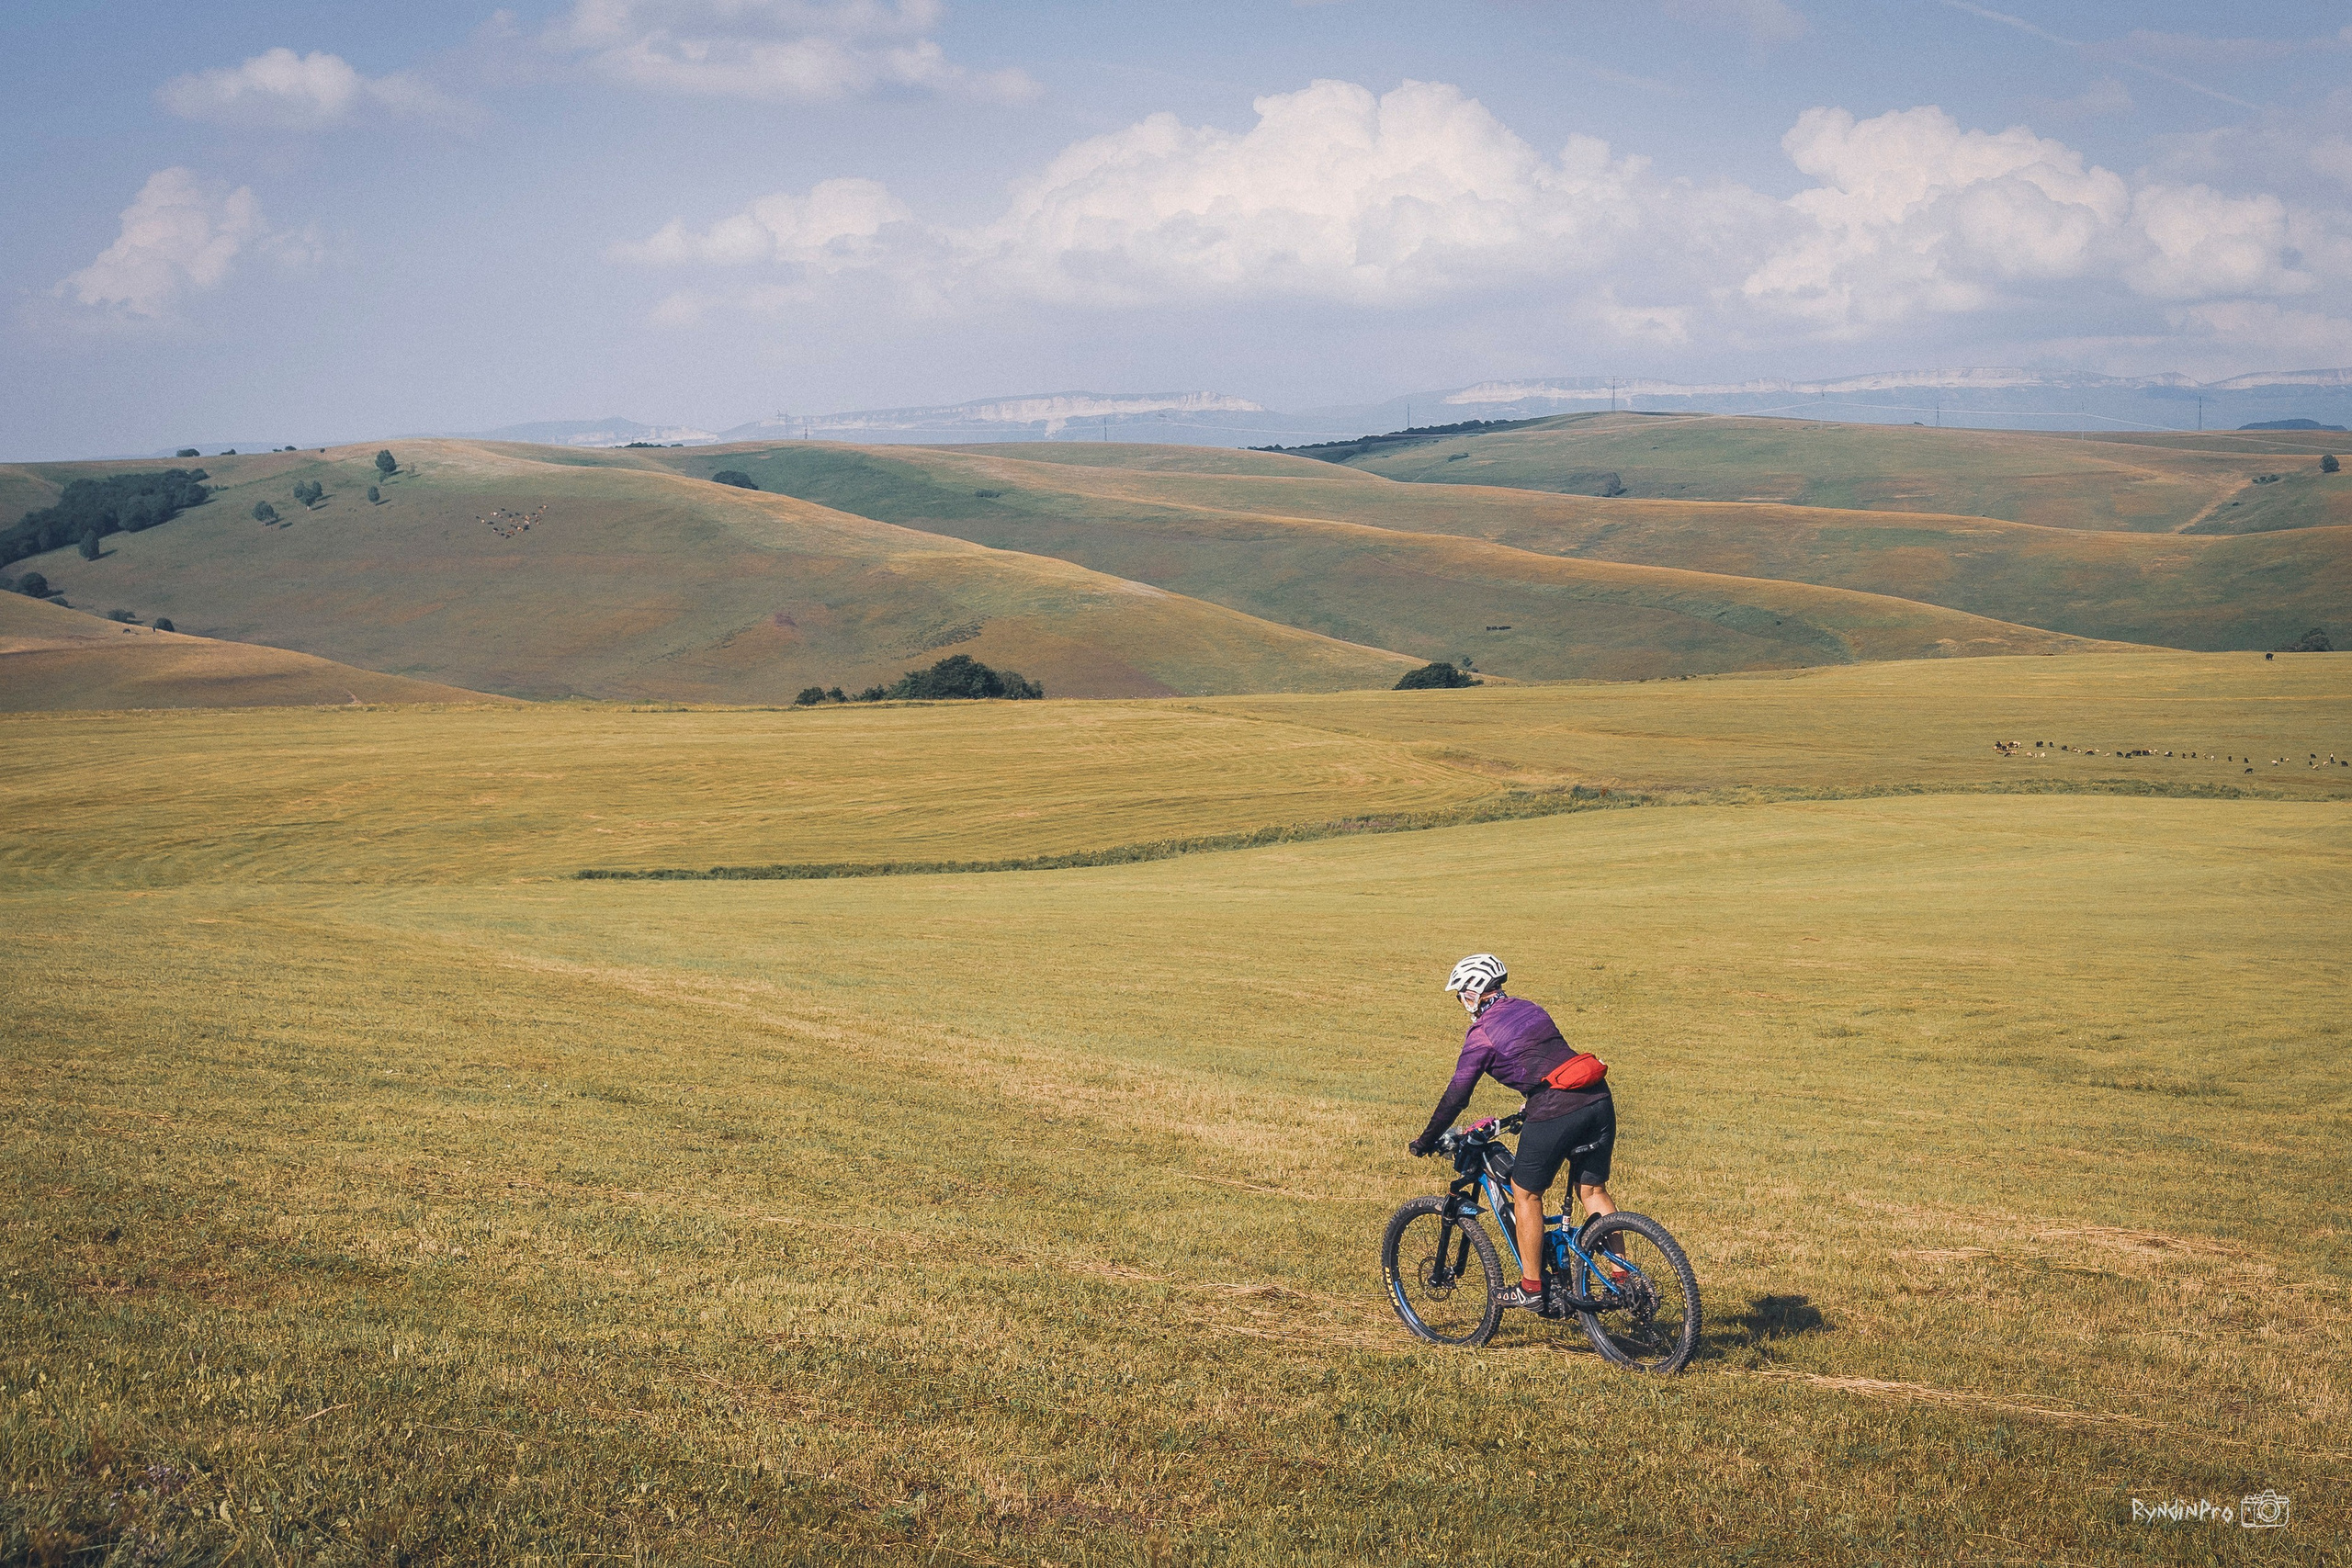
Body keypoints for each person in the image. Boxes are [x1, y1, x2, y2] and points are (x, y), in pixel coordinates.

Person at [1408, 953, 1617, 1311]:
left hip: (1556, 1108)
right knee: (1593, 1191)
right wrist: (1528, 1107)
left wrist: (1426, 1140)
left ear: (1472, 994)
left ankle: (1531, 1288)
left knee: (1526, 1193)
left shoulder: (1482, 1034)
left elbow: (1457, 1096)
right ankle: (1623, 1279)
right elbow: (1546, 1060)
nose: (1461, 1002)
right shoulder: (1529, 1008)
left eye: (1460, 995)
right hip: (1597, 1097)